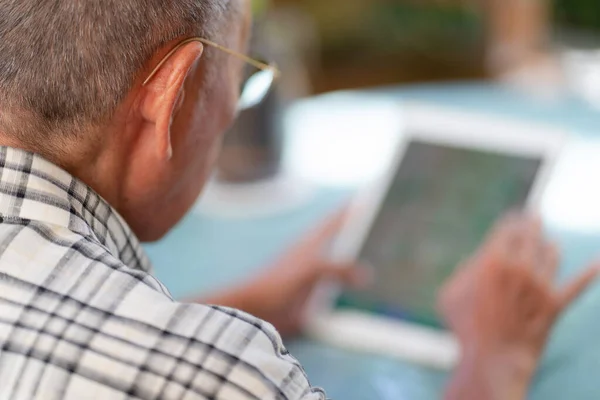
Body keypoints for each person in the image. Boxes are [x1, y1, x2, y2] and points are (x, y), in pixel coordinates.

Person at [0, 1, 596, 399]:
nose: (235, 110)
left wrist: (239, 303)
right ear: (170, 102)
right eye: (243, 81)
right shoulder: (224, 374)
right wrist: (495, 366)